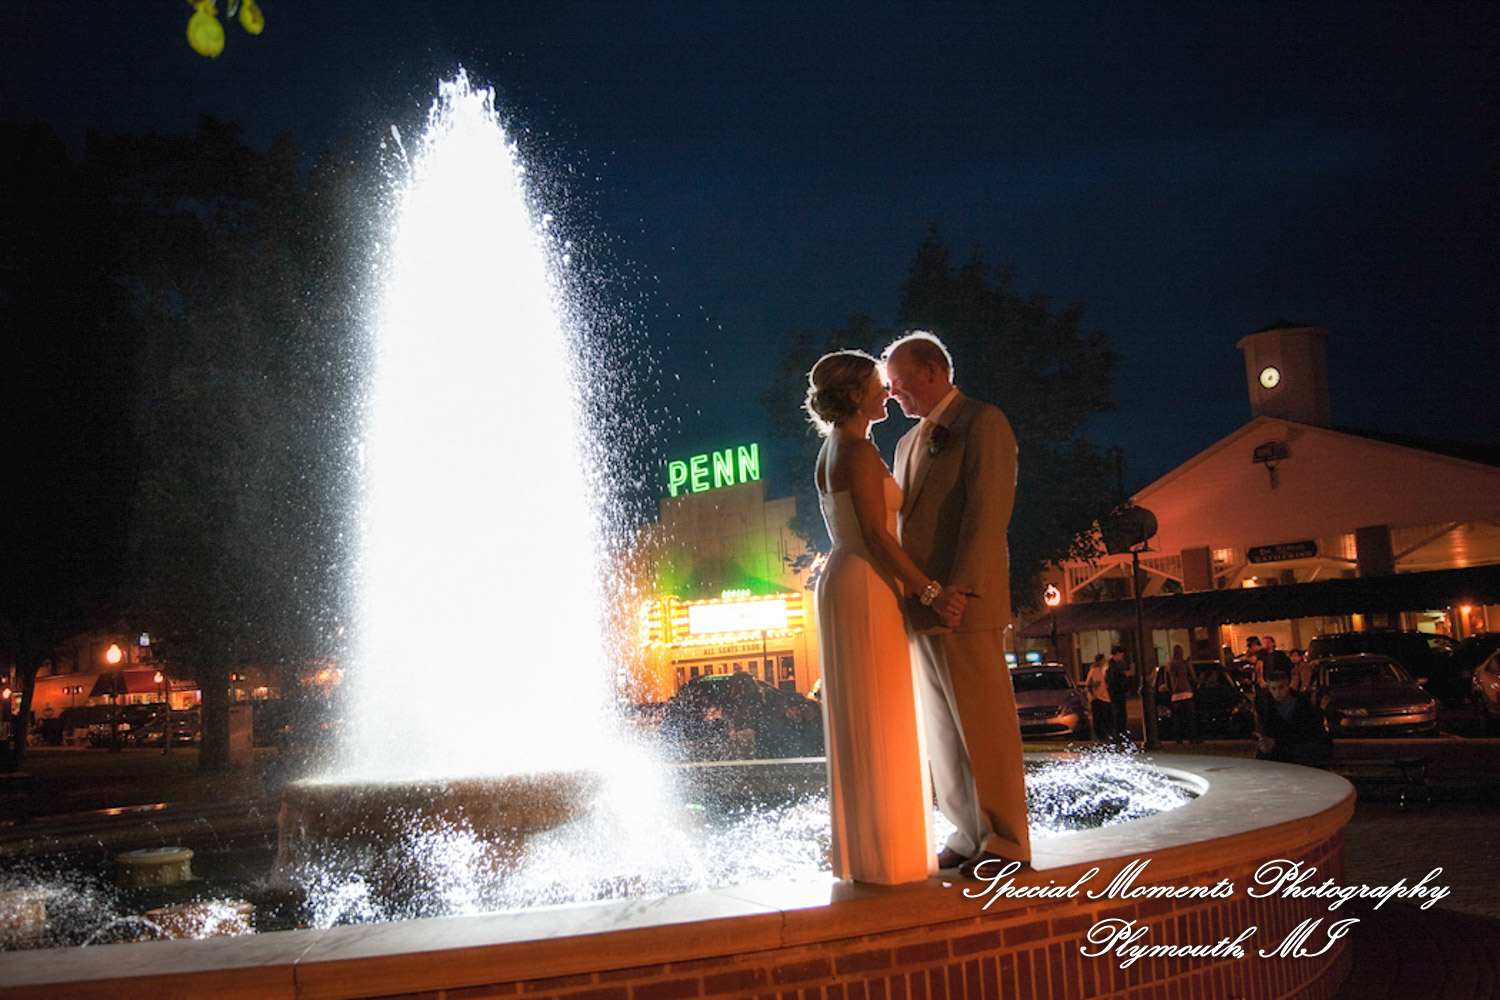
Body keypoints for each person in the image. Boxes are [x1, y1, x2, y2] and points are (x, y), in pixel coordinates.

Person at [884, 331, 1030, 876]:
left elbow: (989, 511)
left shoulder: (982, 422)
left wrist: (961, 588)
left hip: (963, 603)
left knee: (984, 725)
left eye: (898, 384)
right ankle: (969, 833)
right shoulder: (904, 445)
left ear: (931, 372)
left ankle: (1009, 841)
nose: (894, 395)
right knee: (943, 730)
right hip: (923, 604)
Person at [805, 349, 937, 884]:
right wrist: (928, 589)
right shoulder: (856, 451)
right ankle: (891, 858)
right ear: (857, 393)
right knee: (882, 710)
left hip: (847, 578)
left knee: (867, 714)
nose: (887, 392)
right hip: (865, 583)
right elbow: (879, 536)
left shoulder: (834, 448)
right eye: (879, 385)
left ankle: (870, 854)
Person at [1254, 670, 1333, 768]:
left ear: (1288, 686)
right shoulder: (1266, 705)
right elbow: (1267, 729)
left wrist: (1277, 742)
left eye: (1281, 688)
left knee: (1302, 753)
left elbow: (1307, 732)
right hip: (1280, 746)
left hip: (1300, 745)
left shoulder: (1302, 703)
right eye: (1273, 689)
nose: (1277, 693)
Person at [1163, 644, 1201, 744]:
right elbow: (1193, 678)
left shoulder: (1169, 665)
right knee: (1190, 718)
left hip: (1175, 695)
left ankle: (1178, 739)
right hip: (1187, 692)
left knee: (1177, 719)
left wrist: (1172, 690)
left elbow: (1167, 682)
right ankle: (1192, 738)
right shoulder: (1185, 663)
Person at [1084, 653, 1113, 741]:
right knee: (1099, 717)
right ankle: (1101, 735)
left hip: (1105, 696)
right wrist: (1093, 694)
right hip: (1098, 698)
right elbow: (1089, 684)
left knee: (1107, 716)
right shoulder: (1094, 671)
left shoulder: (1103, 670)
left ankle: (1107, 733)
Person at [1106, 646, 1131, 739]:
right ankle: (1119, 733)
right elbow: (1114, 679)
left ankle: (1120, 733)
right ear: (1117, 654)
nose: (1121, 656)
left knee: (1120, 713)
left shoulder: (1113, 664)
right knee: (1119, 713)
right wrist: (1124, 676)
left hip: (1117, 692)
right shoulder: (1113, 665)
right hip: (1117, 692)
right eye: (1120, 654)